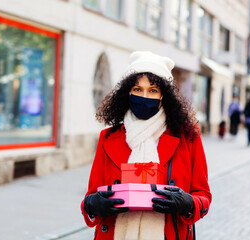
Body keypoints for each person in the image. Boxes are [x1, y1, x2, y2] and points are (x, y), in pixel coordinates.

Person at [81, 51, 212, 240]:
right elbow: (90, 198)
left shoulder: (187, 136)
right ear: (127, 92)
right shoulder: (108, 138)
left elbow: (203, 195)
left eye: (152, 90)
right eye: (137, 89)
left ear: (163, 96)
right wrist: (93, 204)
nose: (144, 96)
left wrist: (188, 203)